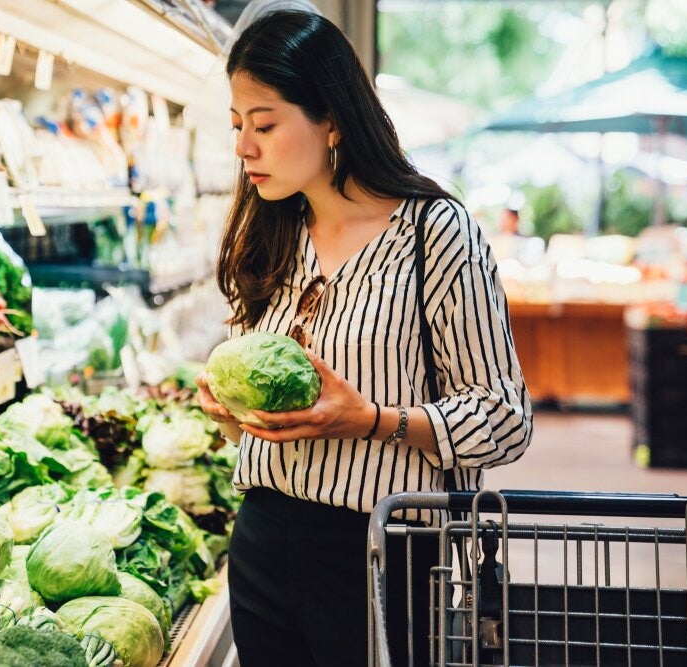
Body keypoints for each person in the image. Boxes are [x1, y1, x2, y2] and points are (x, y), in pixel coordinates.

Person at [194, 9, 532, 666]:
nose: (244, 148)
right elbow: (269, 423)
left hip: (383, 550)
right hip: (262, 541)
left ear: (332, 119)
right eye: (237, 126)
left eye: (263, 124)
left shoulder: (435, 235)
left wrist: (372, 419)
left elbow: (505, 416)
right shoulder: (268, 238)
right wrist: (233, 416)